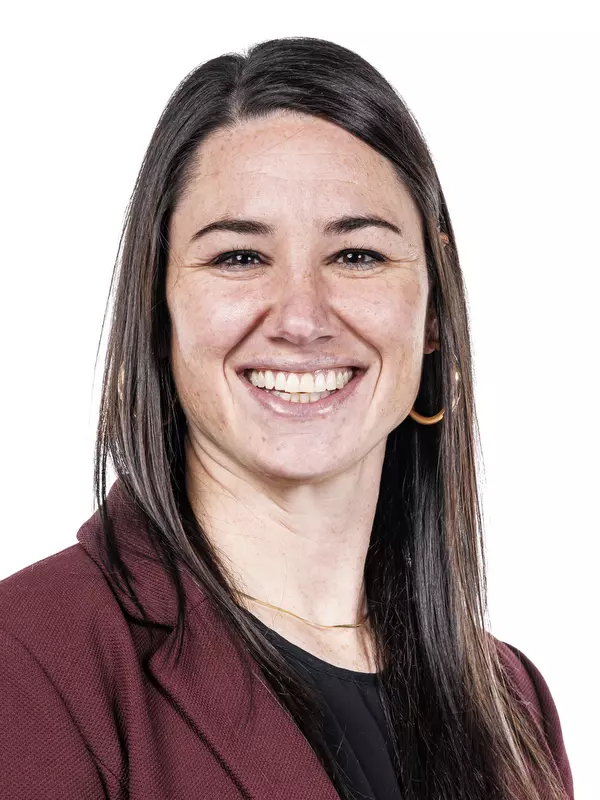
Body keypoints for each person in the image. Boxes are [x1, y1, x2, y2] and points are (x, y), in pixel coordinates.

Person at [0, 37, 573, 800]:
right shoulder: (32, 656)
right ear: (158, 303)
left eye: (358, 256)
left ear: (431, 304)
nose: (302, 319)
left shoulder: (513, 702)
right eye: (239, 257)